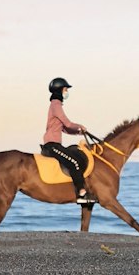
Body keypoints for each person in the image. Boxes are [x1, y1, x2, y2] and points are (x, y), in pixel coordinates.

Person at [41, 76, 93, 204]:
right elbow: (68, 124)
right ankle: (81, 193)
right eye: (65, 89)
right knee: (74, 162)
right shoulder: (56, 105)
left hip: (55, 144)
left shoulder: (56, 105)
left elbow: (65, 128)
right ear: (59, 90)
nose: (66, 92)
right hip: (52, 145)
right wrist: (80, 126)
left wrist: (79, 131)